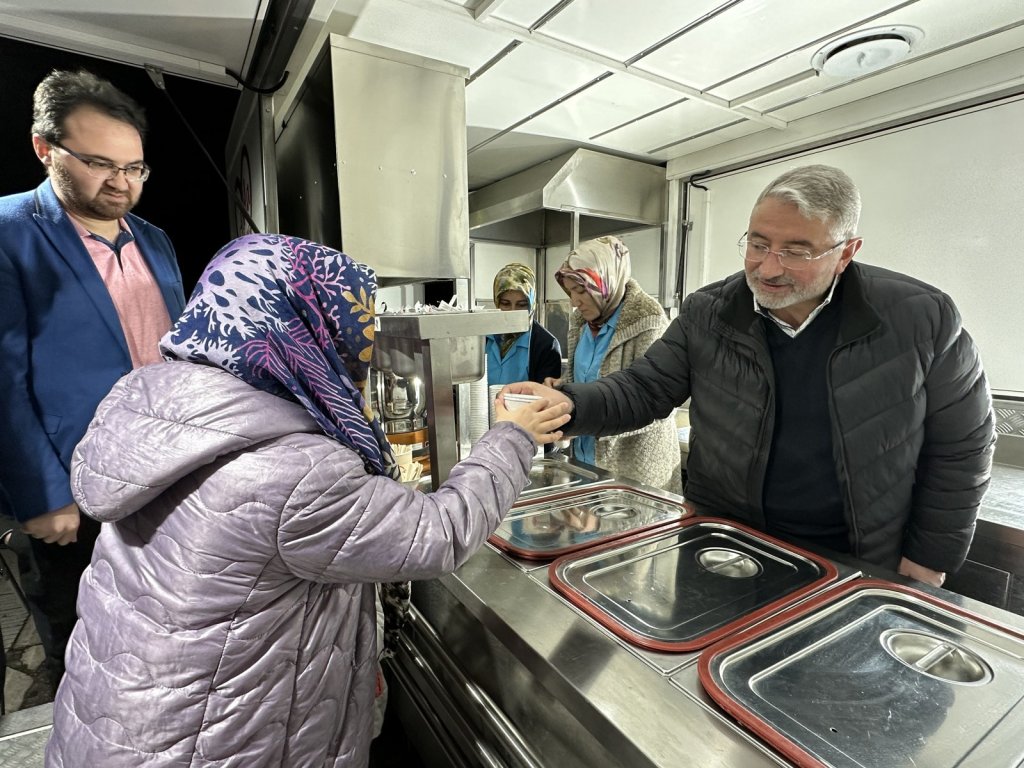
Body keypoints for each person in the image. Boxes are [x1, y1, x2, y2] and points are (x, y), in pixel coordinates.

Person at [45, 234, 569, 767]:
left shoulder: (156, 403)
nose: (356, 355)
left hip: (119, 718)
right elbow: (437, 534)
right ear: (304, 329)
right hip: (213, 740)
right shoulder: (291, 467)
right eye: (348, 334)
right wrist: (512, 435)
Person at [507, 165, 995, 588]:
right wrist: (570, 404)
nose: (767, 267)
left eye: (796, 251)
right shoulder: (710, 313)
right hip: (727, 548)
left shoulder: (921, 320)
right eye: (758, 244)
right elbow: (645, 388)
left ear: (845, 253)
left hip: (859, 560)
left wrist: (930, 559)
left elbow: (964, 445)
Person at [0, 68, 185, 689]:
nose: (122, 183)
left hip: (164, 477)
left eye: (135, 168)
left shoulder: (155, 240)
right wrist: (44, 494)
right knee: (82, 646)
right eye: (101, 164)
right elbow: (4, 382)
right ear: (44, 148)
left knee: (158, 632)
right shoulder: (8, 233)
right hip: (73, 491)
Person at [551, 236, 681, 494]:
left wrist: (580, 419)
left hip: (632, 473)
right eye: (570, 292)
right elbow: (589, 381)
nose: (575, 302)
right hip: (584, 463)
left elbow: (654, 404)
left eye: (580, 290)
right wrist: (562, 389)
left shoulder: (649, 323)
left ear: (604, 282)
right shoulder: (581, 324)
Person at [485, 262, 562, 386]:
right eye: (505, 304)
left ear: (531, 304)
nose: (513, 311)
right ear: (496, 302)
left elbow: (546, 396)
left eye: (522, 305)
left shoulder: (546, 345)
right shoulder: (482, 337)